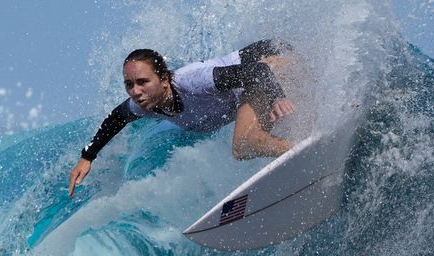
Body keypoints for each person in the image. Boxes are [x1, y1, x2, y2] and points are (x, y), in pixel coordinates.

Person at [68, 39, 297, 197]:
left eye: (143, 82)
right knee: (250, 142)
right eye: (129, 85)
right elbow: (116, 118)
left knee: (245, 143)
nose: (135, 91)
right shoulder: (146, 104)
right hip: (260, 82)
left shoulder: (192, 82)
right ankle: (304, 148)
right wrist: (87, 157)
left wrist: (278, 97)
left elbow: (257, 71)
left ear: (164, 79)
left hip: (273, 63)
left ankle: (306, 152)